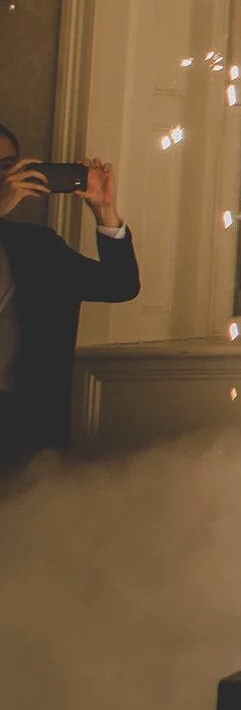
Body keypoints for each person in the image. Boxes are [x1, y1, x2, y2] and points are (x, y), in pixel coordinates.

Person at [0, 124, 139, 475]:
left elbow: (119, 285)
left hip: (26, 428)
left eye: (5, 168)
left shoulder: (37, 247)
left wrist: (106, 212)